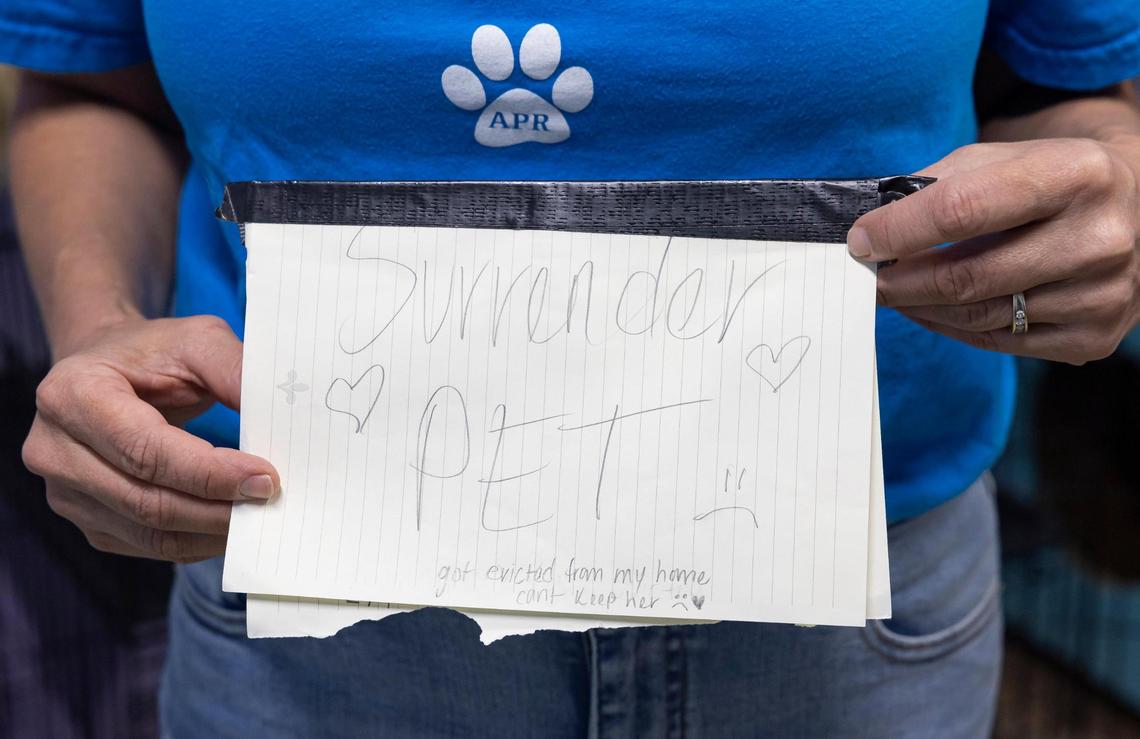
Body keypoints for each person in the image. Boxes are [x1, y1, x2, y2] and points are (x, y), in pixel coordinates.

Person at [2, 2, 1138, 736]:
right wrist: (96, 322)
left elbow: (1077, 76)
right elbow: (90, 81)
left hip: (855, 607)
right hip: (311, 598)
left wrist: (1111, 177)